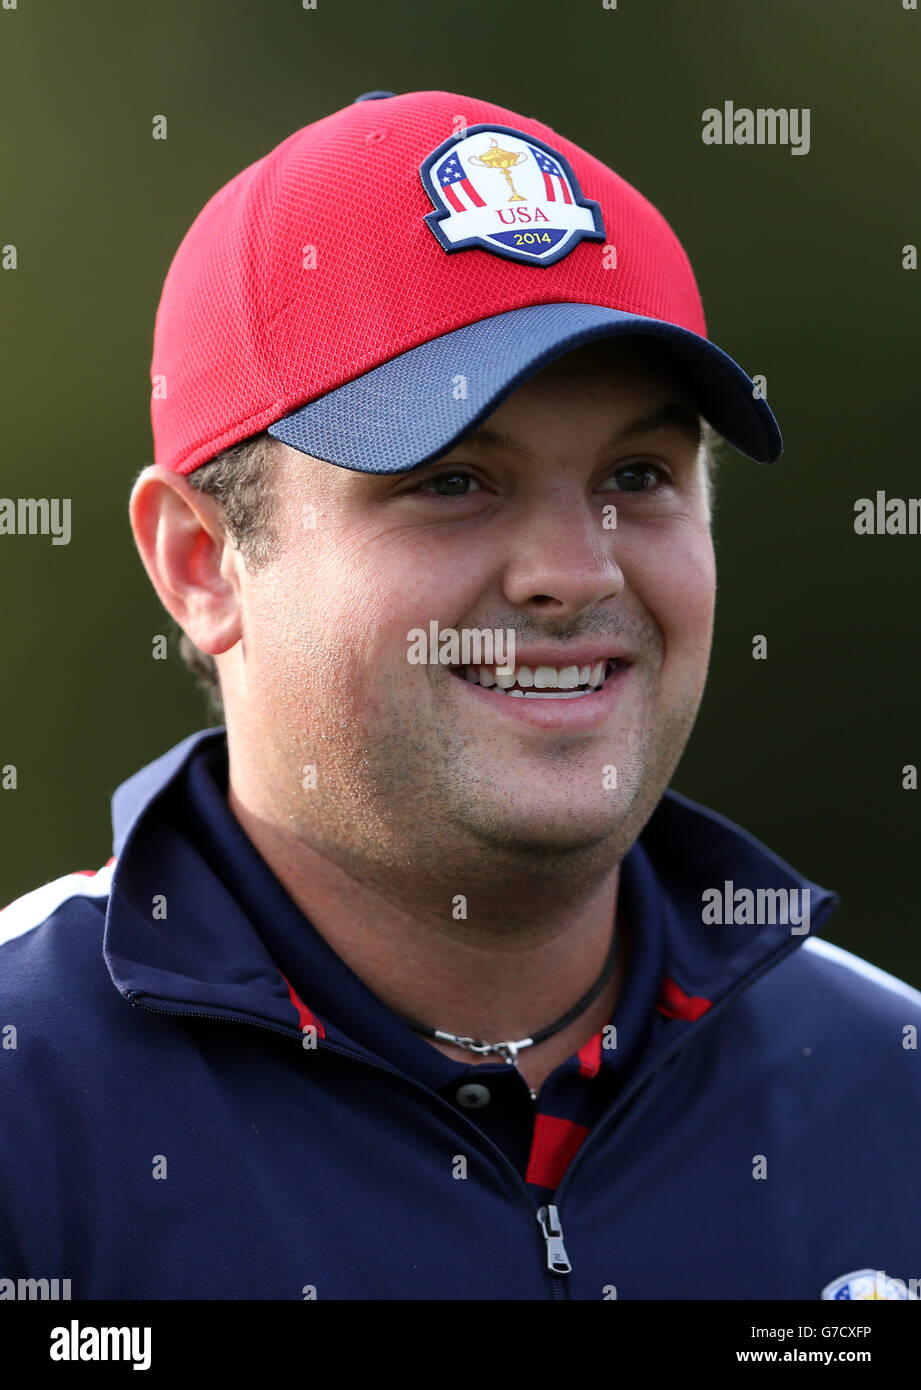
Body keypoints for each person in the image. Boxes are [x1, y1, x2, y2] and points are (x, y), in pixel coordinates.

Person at [2, 89, 919, 1303]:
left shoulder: (887, 1085)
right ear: (201, 562)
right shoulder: (30, 1105)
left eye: (638, 475)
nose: (574, 572)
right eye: (452, 480)